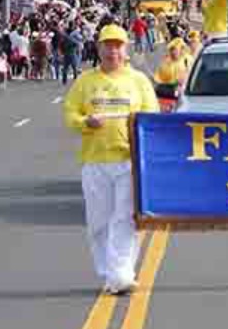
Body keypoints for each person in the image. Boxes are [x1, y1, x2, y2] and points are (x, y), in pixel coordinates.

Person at [63, 25, 159, 295]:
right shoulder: (85, 82)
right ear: (99, 48)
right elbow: (70, 114)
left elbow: (151, 116)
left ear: (125, 50)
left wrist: (136, 126)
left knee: (125, 218)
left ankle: (121, 273)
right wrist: (85, 122)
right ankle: (108, 272)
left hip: (128, 160)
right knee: (99, 221)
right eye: (108, 45)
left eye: (118, 45)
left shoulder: (138, 80)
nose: (113, 50)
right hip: (94, 161)